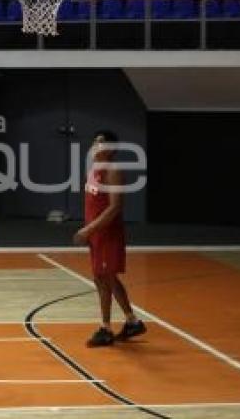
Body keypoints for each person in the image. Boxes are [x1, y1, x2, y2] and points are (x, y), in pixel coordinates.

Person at [74, 130, 146, 347]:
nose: (96, 147)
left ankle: (107, 328)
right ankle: (131, 321)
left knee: (105, 277)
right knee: (102, 278)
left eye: (101, 144)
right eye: (94, 142)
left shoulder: (113, 171)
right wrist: (89, 229)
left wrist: (89, 230)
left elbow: (114, 207)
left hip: (107, 233)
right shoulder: (93, 169)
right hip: (96, 233)